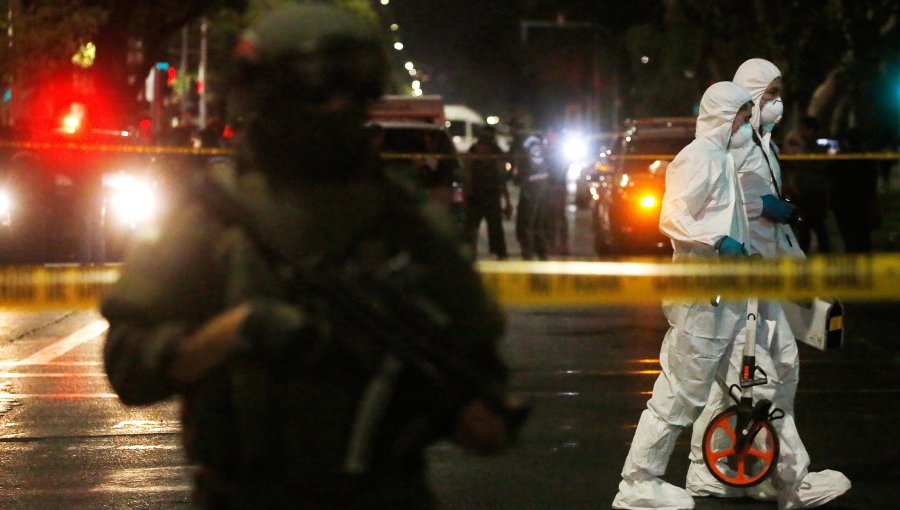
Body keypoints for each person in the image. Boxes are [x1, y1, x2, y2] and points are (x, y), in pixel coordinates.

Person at [101, 3, 520, 509]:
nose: (334, 110)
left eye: (352, 92)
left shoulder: (404, 220)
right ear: (268, 96)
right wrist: (236, 332)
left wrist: (440, 401)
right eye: (315, 94)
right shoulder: (214, 216)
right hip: (246, 496)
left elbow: (484, 401)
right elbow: (129, 367)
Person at [686, 58, 851, 509]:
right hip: (744, 281)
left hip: (765, 278)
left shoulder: (762, 143)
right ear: (753, 96)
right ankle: (792, 482)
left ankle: (715, 471)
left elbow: (770, 223)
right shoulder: (734, 143)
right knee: (765, 380)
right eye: (772, 94)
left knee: (742, 383)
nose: (779, 103)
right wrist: (763, 205)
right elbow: (725, 200)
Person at [612, 81, 753, 510]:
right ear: (726, 116)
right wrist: (717, 241)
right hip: (701, 294)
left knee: (720, 391)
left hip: (720, 293)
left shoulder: (719, 157)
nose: (748, 124)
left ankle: (706, 471)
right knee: (679, 393)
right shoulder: (699, 158)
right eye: (744, 116)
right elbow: (671, 217)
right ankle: (637, 482)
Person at [782, 116, 831, 253]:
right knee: (811, 225)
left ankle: (811, 252)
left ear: (810, 130)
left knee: (812, 225)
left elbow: (806, 168)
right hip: (810, 192)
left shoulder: (814, 148)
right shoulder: (810, 146)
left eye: (803, 129)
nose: (801, 132)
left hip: (812, 193)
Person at [464, 125, 512, 259]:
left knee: (495, 228)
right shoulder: (473, 152)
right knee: (471, 229)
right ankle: (470, 255)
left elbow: (501, 178)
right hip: (476, 195)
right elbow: (466, 175)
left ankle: (500, 254)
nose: (483, 148)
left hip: (491, 195)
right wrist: (466, 195)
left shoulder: (496, 153)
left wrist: (507, 201)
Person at [508, 120, 549, 260]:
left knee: (526, 222)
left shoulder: (518, 141)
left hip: (530, 184)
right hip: (543, 182)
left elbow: (511, 161)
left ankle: (528, 253)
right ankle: (542, 253)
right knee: (539, 220)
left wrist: (512, 177)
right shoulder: (535, 139)